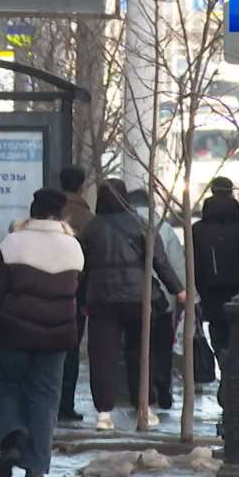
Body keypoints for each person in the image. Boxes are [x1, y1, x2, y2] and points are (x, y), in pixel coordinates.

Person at [0, 189, 83, 477]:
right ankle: (36, 469)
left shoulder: (13, 244)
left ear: (32, 212)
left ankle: (11, 438)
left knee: (8, 387)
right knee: (45, 398)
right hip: (56, 338)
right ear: (62, 215)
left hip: (14, 334)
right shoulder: (73, 248)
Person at [79, 178, 186, 431]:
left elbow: (81, 268)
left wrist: (82, 297)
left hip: (101, 299)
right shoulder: (142, 224)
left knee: (102, 355)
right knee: (140, 352)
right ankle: (144, 408)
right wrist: (178, 290)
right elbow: (160, 261)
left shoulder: (91, 228)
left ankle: (104, 413)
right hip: (138, 298)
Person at [131, 189, 187, 411]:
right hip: (164, 298)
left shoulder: (125, 225)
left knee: (137, 345)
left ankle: (144, 392)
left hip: (134, 296)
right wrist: (183, 293)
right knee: (163, 345)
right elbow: (176, 263)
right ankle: (163, 387)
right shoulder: (164, 228)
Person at [192, 176, 239, 359]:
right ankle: (234, 373)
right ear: (231, 192)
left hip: (210, 294)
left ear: (211, 191)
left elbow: (194, 264)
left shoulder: (198, 230)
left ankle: (223, 363)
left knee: (218, 334)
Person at [57, 166, 94, 422]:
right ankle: (65, 404)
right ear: (81, 186)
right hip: (76, 293)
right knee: (70, 348)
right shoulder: (88, 220)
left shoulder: (50, 213)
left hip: (43, 289)